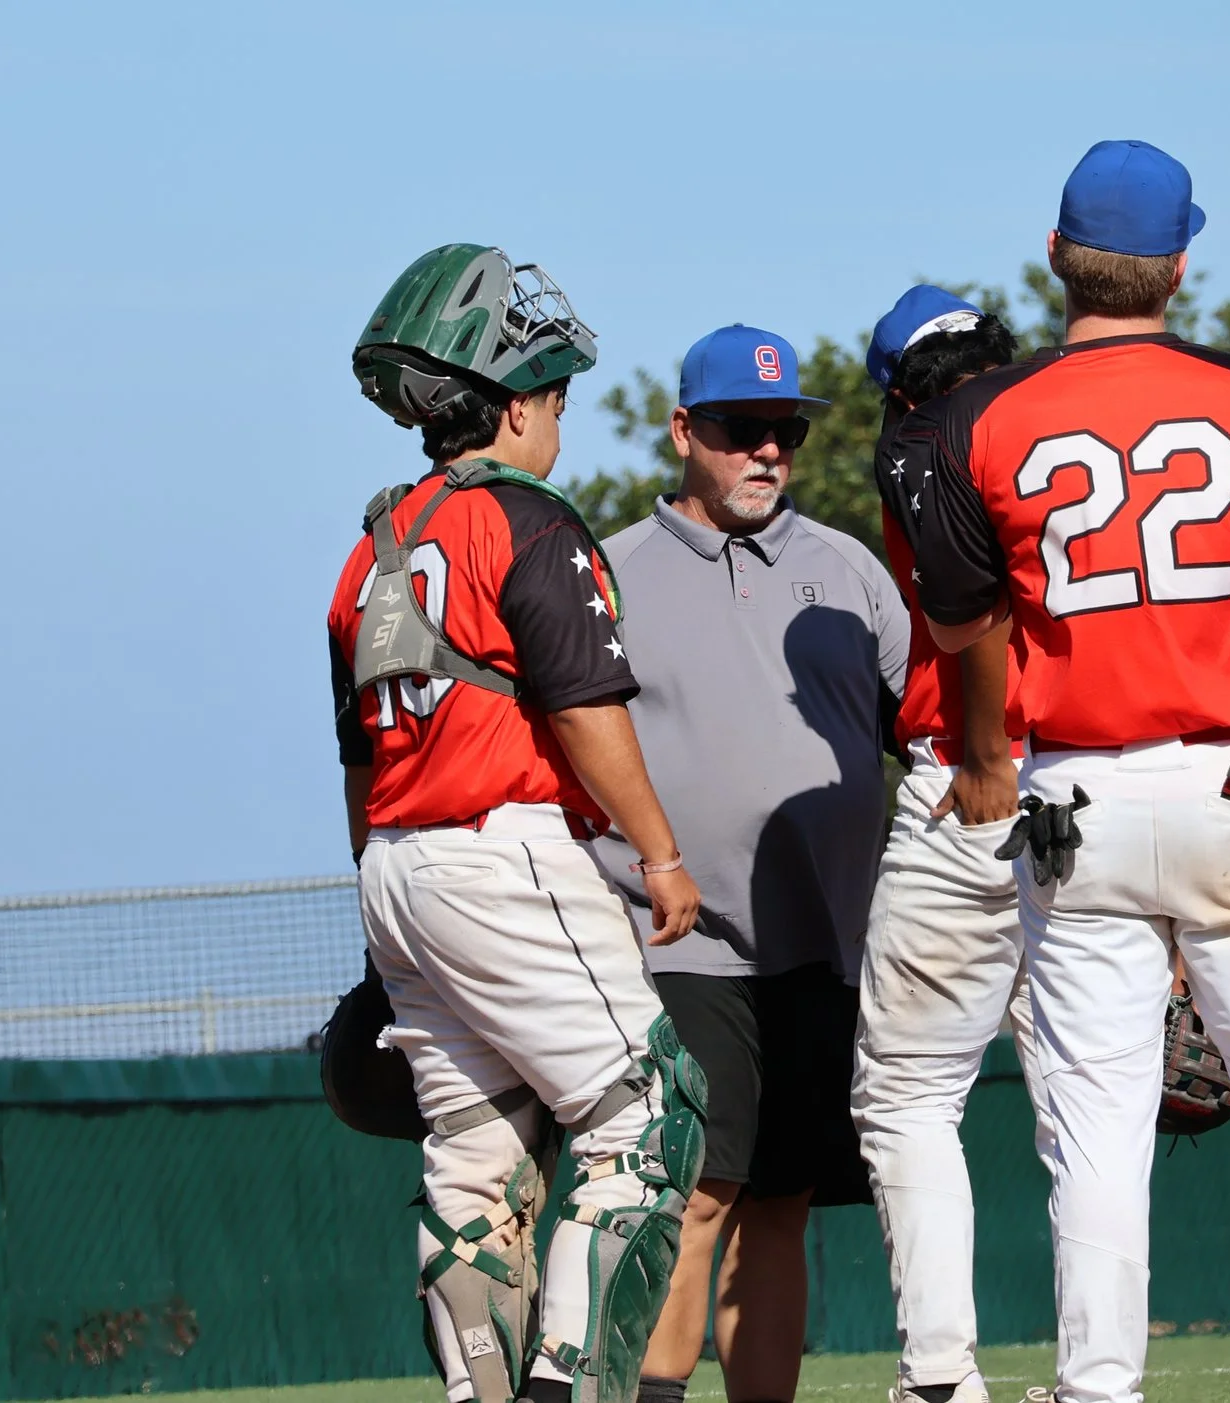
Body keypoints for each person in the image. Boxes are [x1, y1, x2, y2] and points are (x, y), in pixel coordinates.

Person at [913, 139, 1230, 1403]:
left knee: (1095, 1129)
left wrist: (985, 753)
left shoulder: (984, 416)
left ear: (1054, 257)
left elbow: (966, 635)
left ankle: (1097, 1387)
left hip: (1073, 788)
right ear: (1180, 265)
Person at [331, 244, 705, 1403]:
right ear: (504, 405)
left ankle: (479, 1390)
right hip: (501, 846)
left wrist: (387, 931)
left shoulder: (370, 551)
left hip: (396, 862)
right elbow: (583, 708)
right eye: (550, 399)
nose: (557, 422)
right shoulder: (526, 518)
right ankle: (566, 1388)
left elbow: (359, 764)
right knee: (650, 1117)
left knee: (477, 1156)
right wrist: (660, 849)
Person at [593, 324, 910, 1403]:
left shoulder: (846, 567)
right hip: (679, 938)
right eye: (741, 429)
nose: (767, 450)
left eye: (785, 430)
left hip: (826, 944)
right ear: (685, 430)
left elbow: (925, 729)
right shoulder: (615, 572)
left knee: (784, 1194)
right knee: (698, 1189)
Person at [850, 285, 1037, 1403]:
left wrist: (981, 753)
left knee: (909, 1094)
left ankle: (938, 1375)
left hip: (980, 780)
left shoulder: (923, 439)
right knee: (1093, 1094)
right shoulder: (1074, 409)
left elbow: (973, 616)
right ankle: (1102, 1373)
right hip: (1117, 775)